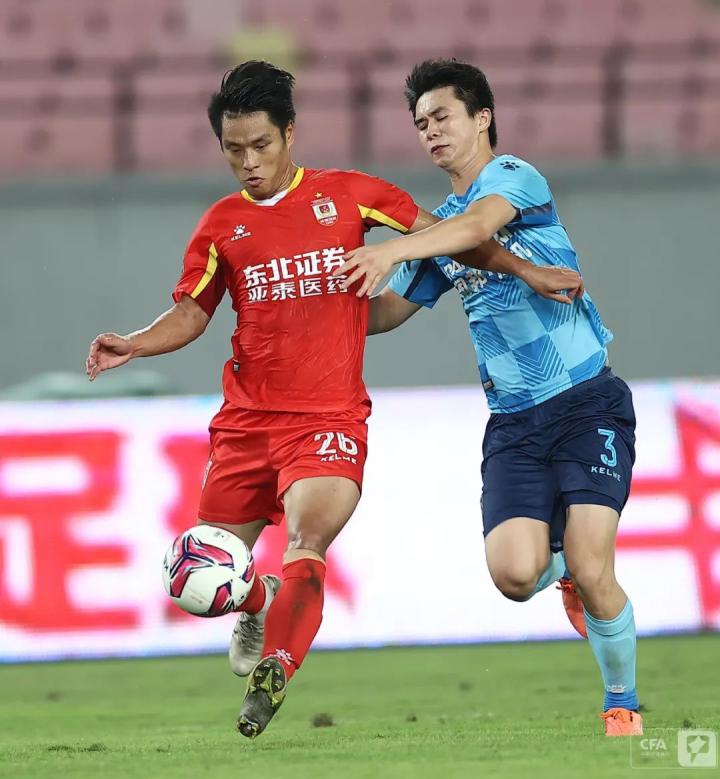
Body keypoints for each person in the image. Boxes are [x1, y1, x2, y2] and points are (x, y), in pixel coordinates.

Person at [85, 60, 583, 739]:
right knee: (196, 577)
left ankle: (277, 669)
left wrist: (524, 268)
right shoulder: (221, 225)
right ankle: (256, 600)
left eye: (261, 145)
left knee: (307, 538)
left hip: (328, 418)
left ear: (289, 134)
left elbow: (447, 239)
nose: (249, 162)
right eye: (234, 150)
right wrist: (136, 343)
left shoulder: (349, 195)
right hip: (246, 423)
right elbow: (193, 312)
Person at [339, 59, 642, 737]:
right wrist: (315, 301)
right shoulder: (438, 230)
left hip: (585, 401)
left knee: (596, 565)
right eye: (421, 123)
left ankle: (621, 703)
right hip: (513, 424)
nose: (431, 132)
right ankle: (562, 570)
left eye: (442, 116)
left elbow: (478, 228)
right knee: (513, 575)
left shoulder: (513, 179)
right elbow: (386, 314)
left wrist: (391, 249)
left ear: (483, 118)